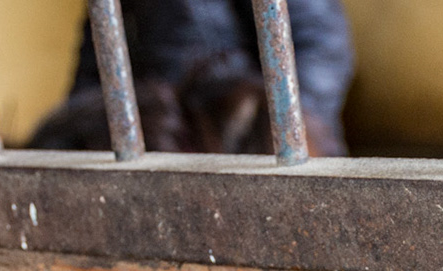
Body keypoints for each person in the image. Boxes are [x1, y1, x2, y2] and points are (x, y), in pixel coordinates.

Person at [28, 0, 354, 155]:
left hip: (239, 125)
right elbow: (94, 67)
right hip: (160, 125)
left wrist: (276, 131)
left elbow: (319, 49)